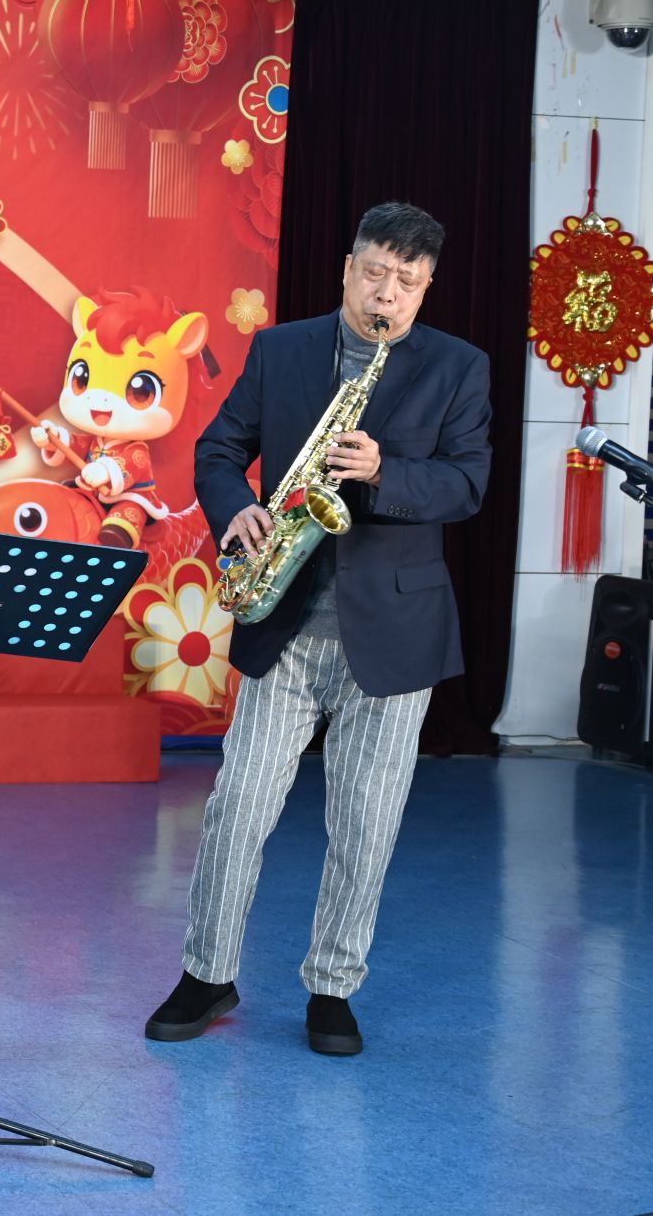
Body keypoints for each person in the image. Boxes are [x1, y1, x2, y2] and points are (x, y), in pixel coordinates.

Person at [145, 202, 491, 1056]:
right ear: (347, 268)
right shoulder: (281, 349)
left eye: (407, 282)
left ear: (426, 288)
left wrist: (385, 471)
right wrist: (235, 511)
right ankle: (208, 973)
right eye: (374, 273)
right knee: (237, 809)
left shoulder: (459, 366)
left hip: (397, 633)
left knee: (365, 824)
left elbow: (466, 484)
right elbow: (218, 452)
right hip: (288, 620)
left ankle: (334, 986)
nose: (387, 295)